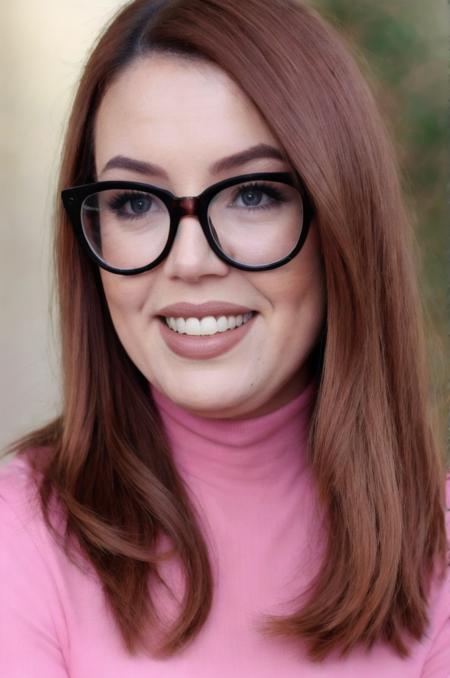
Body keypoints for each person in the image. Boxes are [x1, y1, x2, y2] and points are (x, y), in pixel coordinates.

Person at [0, 0, 448, 675]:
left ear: (341, 218)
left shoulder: (440, 554)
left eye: (252, 193)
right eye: (135, 203)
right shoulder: (17, 540)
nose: (189, 260)